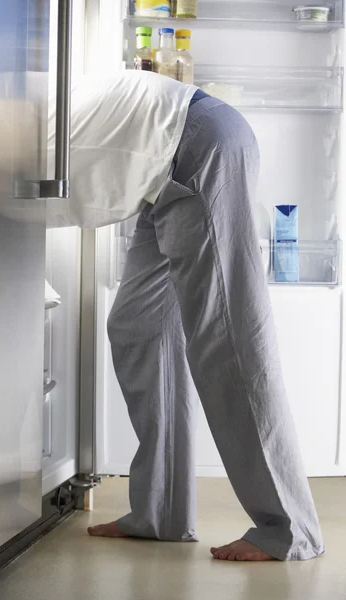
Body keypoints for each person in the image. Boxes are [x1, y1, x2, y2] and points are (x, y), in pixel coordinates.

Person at [50, 70, 324, 561]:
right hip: (170, 164)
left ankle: (289, 529)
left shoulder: (0, 121)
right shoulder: (10, 103)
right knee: (138, 326)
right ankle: (161, 512)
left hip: (194, 147)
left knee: (227, 337)